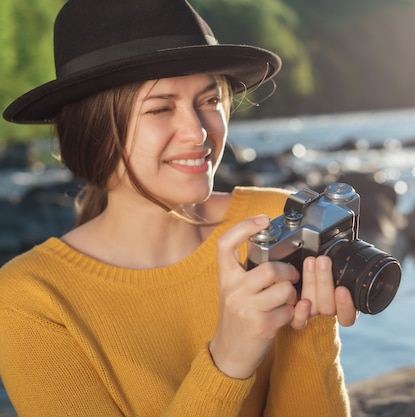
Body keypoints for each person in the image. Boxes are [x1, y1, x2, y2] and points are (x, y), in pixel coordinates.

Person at [0, 0, 358, 416]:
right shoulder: (31, 299)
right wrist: (228, 359)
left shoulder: (276, 220)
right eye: (161, 108)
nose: (197, 131)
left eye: (209, 100)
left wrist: (311, 326)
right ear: (93, 129)